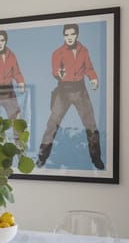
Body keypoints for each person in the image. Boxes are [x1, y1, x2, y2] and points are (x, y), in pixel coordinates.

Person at [36, 23, 104, 170]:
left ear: (77, 35)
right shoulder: (57, 52)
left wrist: (93, 78)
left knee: (91, 125)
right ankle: (41, 157)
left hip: (80, 89)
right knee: (52, 124)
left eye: (72, 34)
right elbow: (55, 70)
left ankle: (96, 158)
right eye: (66, 35)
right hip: (63, 91)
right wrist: (58, 74)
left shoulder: (83, 50)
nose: (69, 38)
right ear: (63, 36)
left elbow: (89, 68)